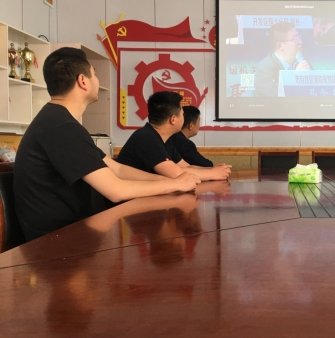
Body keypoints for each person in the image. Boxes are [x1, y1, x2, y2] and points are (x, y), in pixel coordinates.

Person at [14, 48, 200, 242]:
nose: (96, 79)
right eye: (94, 73)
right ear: (83, 81)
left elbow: (117, 169)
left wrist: (169, 182)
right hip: (58, 243)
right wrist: (175, 183)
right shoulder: (62, 127)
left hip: (77, 233)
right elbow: (116, 191)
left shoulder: (60, 122)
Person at [117, 91, 231, 180]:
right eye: (182, 114)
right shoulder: (146, 138)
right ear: (173, 119)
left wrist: (212, 169)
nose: (183, 118)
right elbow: (176, 173)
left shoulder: (164, 139)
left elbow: (185, 167)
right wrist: (212, 173)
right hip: (128, 200)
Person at [253, 22, 310, 97]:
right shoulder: (264, 69)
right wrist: (296, 76)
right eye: (295, 39)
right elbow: (278, 95)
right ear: (280, 46)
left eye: (299, 37)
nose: (300, 42)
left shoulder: (301, 62)